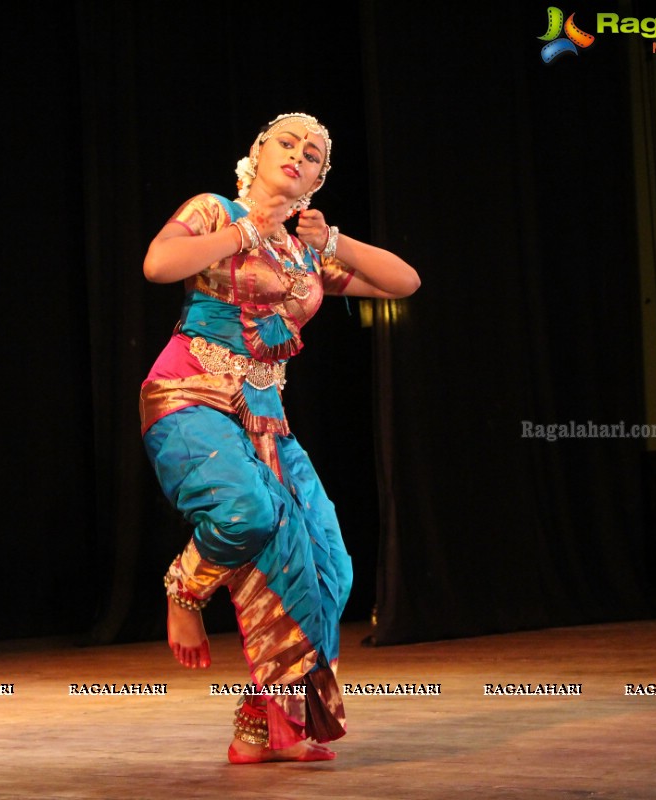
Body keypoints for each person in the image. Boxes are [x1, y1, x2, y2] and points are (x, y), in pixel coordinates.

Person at [139, 112, 420, 764]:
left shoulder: (306, 256)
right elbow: (159, 264)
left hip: (267, 421)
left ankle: (264, 721)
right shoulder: (213, 211)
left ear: (320, 179)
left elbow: (404, 285)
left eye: (314, 153)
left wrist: (337, 242)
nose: (299, 155)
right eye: (287, 143)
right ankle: (184, 588)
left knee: (328, 570)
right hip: (189, 396)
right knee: (248, 512)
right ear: (257, 153)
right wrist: (245, 232)